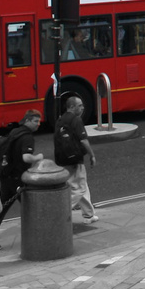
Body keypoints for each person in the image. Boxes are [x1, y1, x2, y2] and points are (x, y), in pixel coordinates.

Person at [0, 109, 43, 252]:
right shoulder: (27, 137)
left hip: (6, 177)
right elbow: (26, 157)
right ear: (28, 120)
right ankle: (41, 238)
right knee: (34, 208)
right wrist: (38, 158)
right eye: (36, 121)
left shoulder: (14, 132)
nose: (38, 124)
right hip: (19, 180)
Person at [54, 95, 98, 223]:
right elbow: (83, 141)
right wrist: (92, 155)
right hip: (75, 160)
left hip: (62, 159)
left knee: (81, 186)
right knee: (78, 189)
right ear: (71, 107)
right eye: (80, 106)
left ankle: (89, 215)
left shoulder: (60, 120)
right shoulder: (76, 120)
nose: (83, 108)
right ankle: (59, 214)